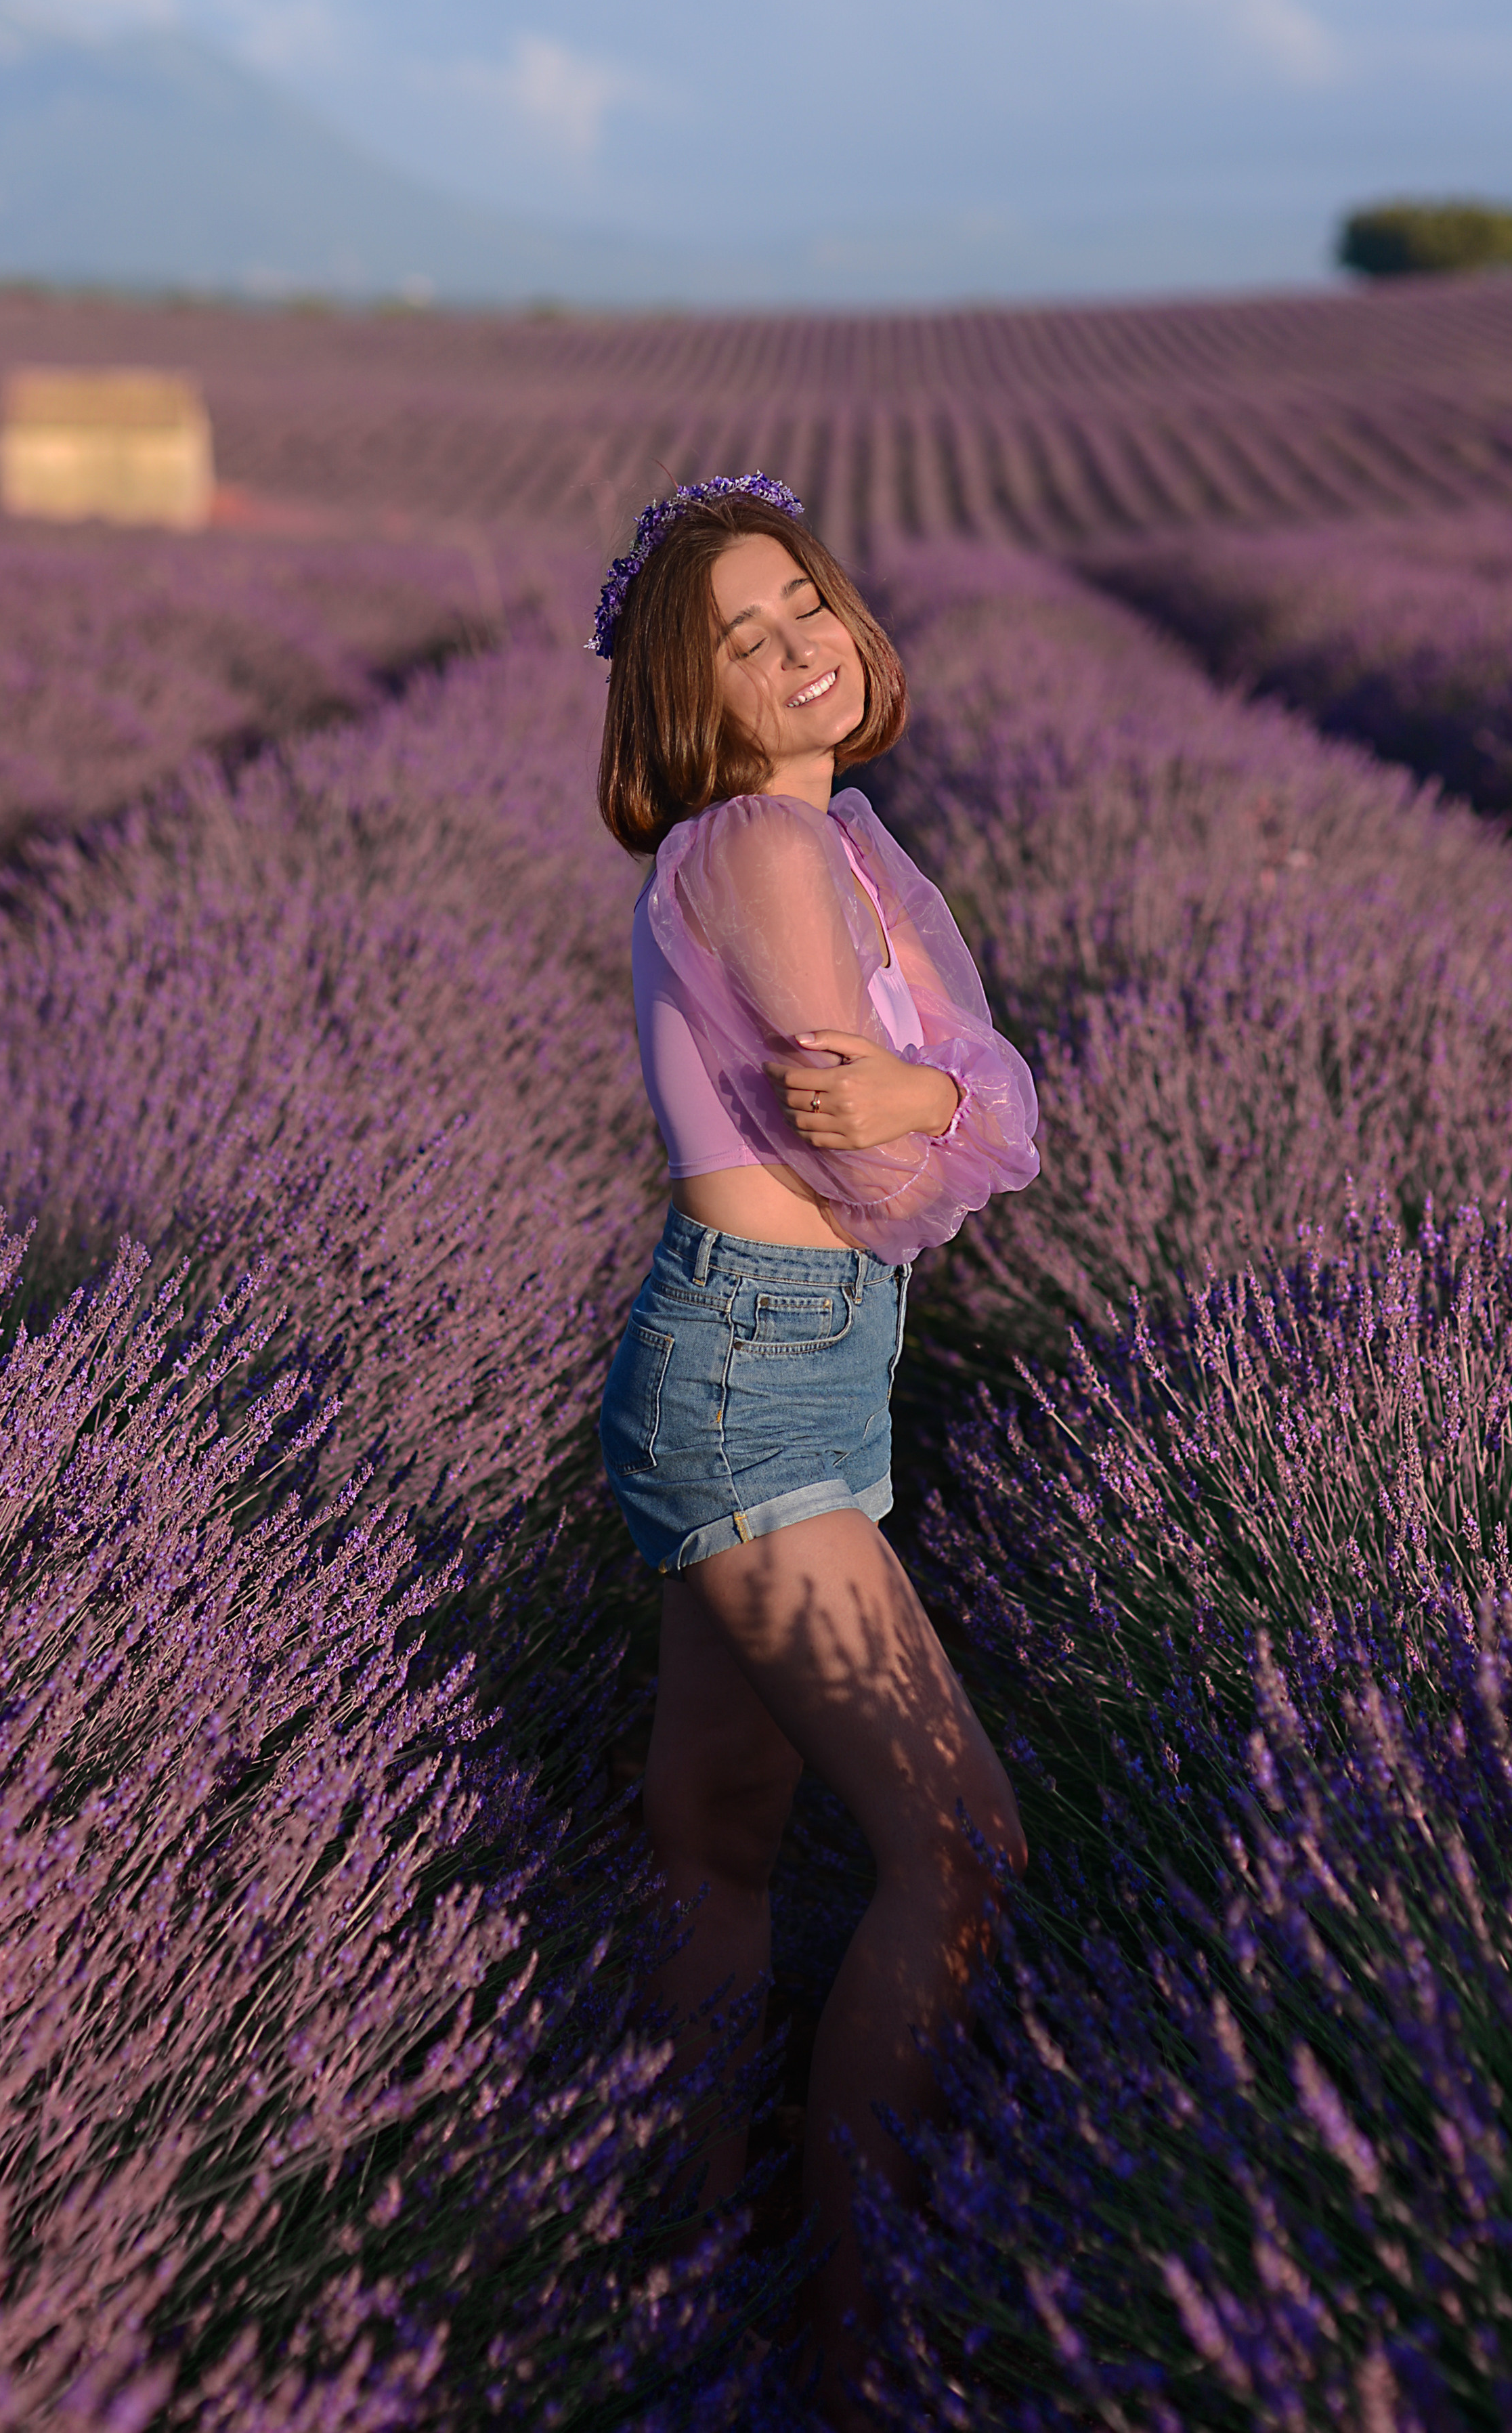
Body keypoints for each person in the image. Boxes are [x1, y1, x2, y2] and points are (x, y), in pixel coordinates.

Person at [591, 474, 1040, 2426]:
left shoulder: (841, 846)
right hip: (764, 1370)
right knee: (963, 1850)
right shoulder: (760, 847)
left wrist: (940, 1086)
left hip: (776, 1352)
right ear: (688, 698)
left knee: (718, 1844)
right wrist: (944, 1096)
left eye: (807, 607)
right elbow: (889, 1165)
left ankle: (682, 2281)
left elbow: (984, 1108)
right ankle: (853, 2343)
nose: (797, 651)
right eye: (741, 640)